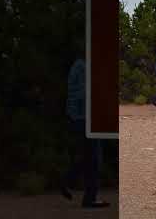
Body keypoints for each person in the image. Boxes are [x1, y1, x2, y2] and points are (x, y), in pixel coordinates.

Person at [61, 53, 110, 208]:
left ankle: (68, 182)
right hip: (84, 117)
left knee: (89, 156)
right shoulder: (82, 66)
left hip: (82, 116)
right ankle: (88, 197)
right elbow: (85, 94)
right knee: (94, 157)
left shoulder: (81, 65)